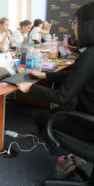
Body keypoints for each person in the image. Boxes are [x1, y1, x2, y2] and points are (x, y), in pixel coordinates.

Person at [17, 2, 94, 179]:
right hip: (89, 115)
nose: (73, 29)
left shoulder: (90, 56)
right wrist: (44, 77)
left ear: (87, 26)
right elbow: (73, 74)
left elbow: (61, 96)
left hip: (89, 125)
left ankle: (66, 160)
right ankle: (74, 155)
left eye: (75, 24)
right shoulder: (90, 54)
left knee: (42, 119)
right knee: (57, 112)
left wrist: (31, 87)